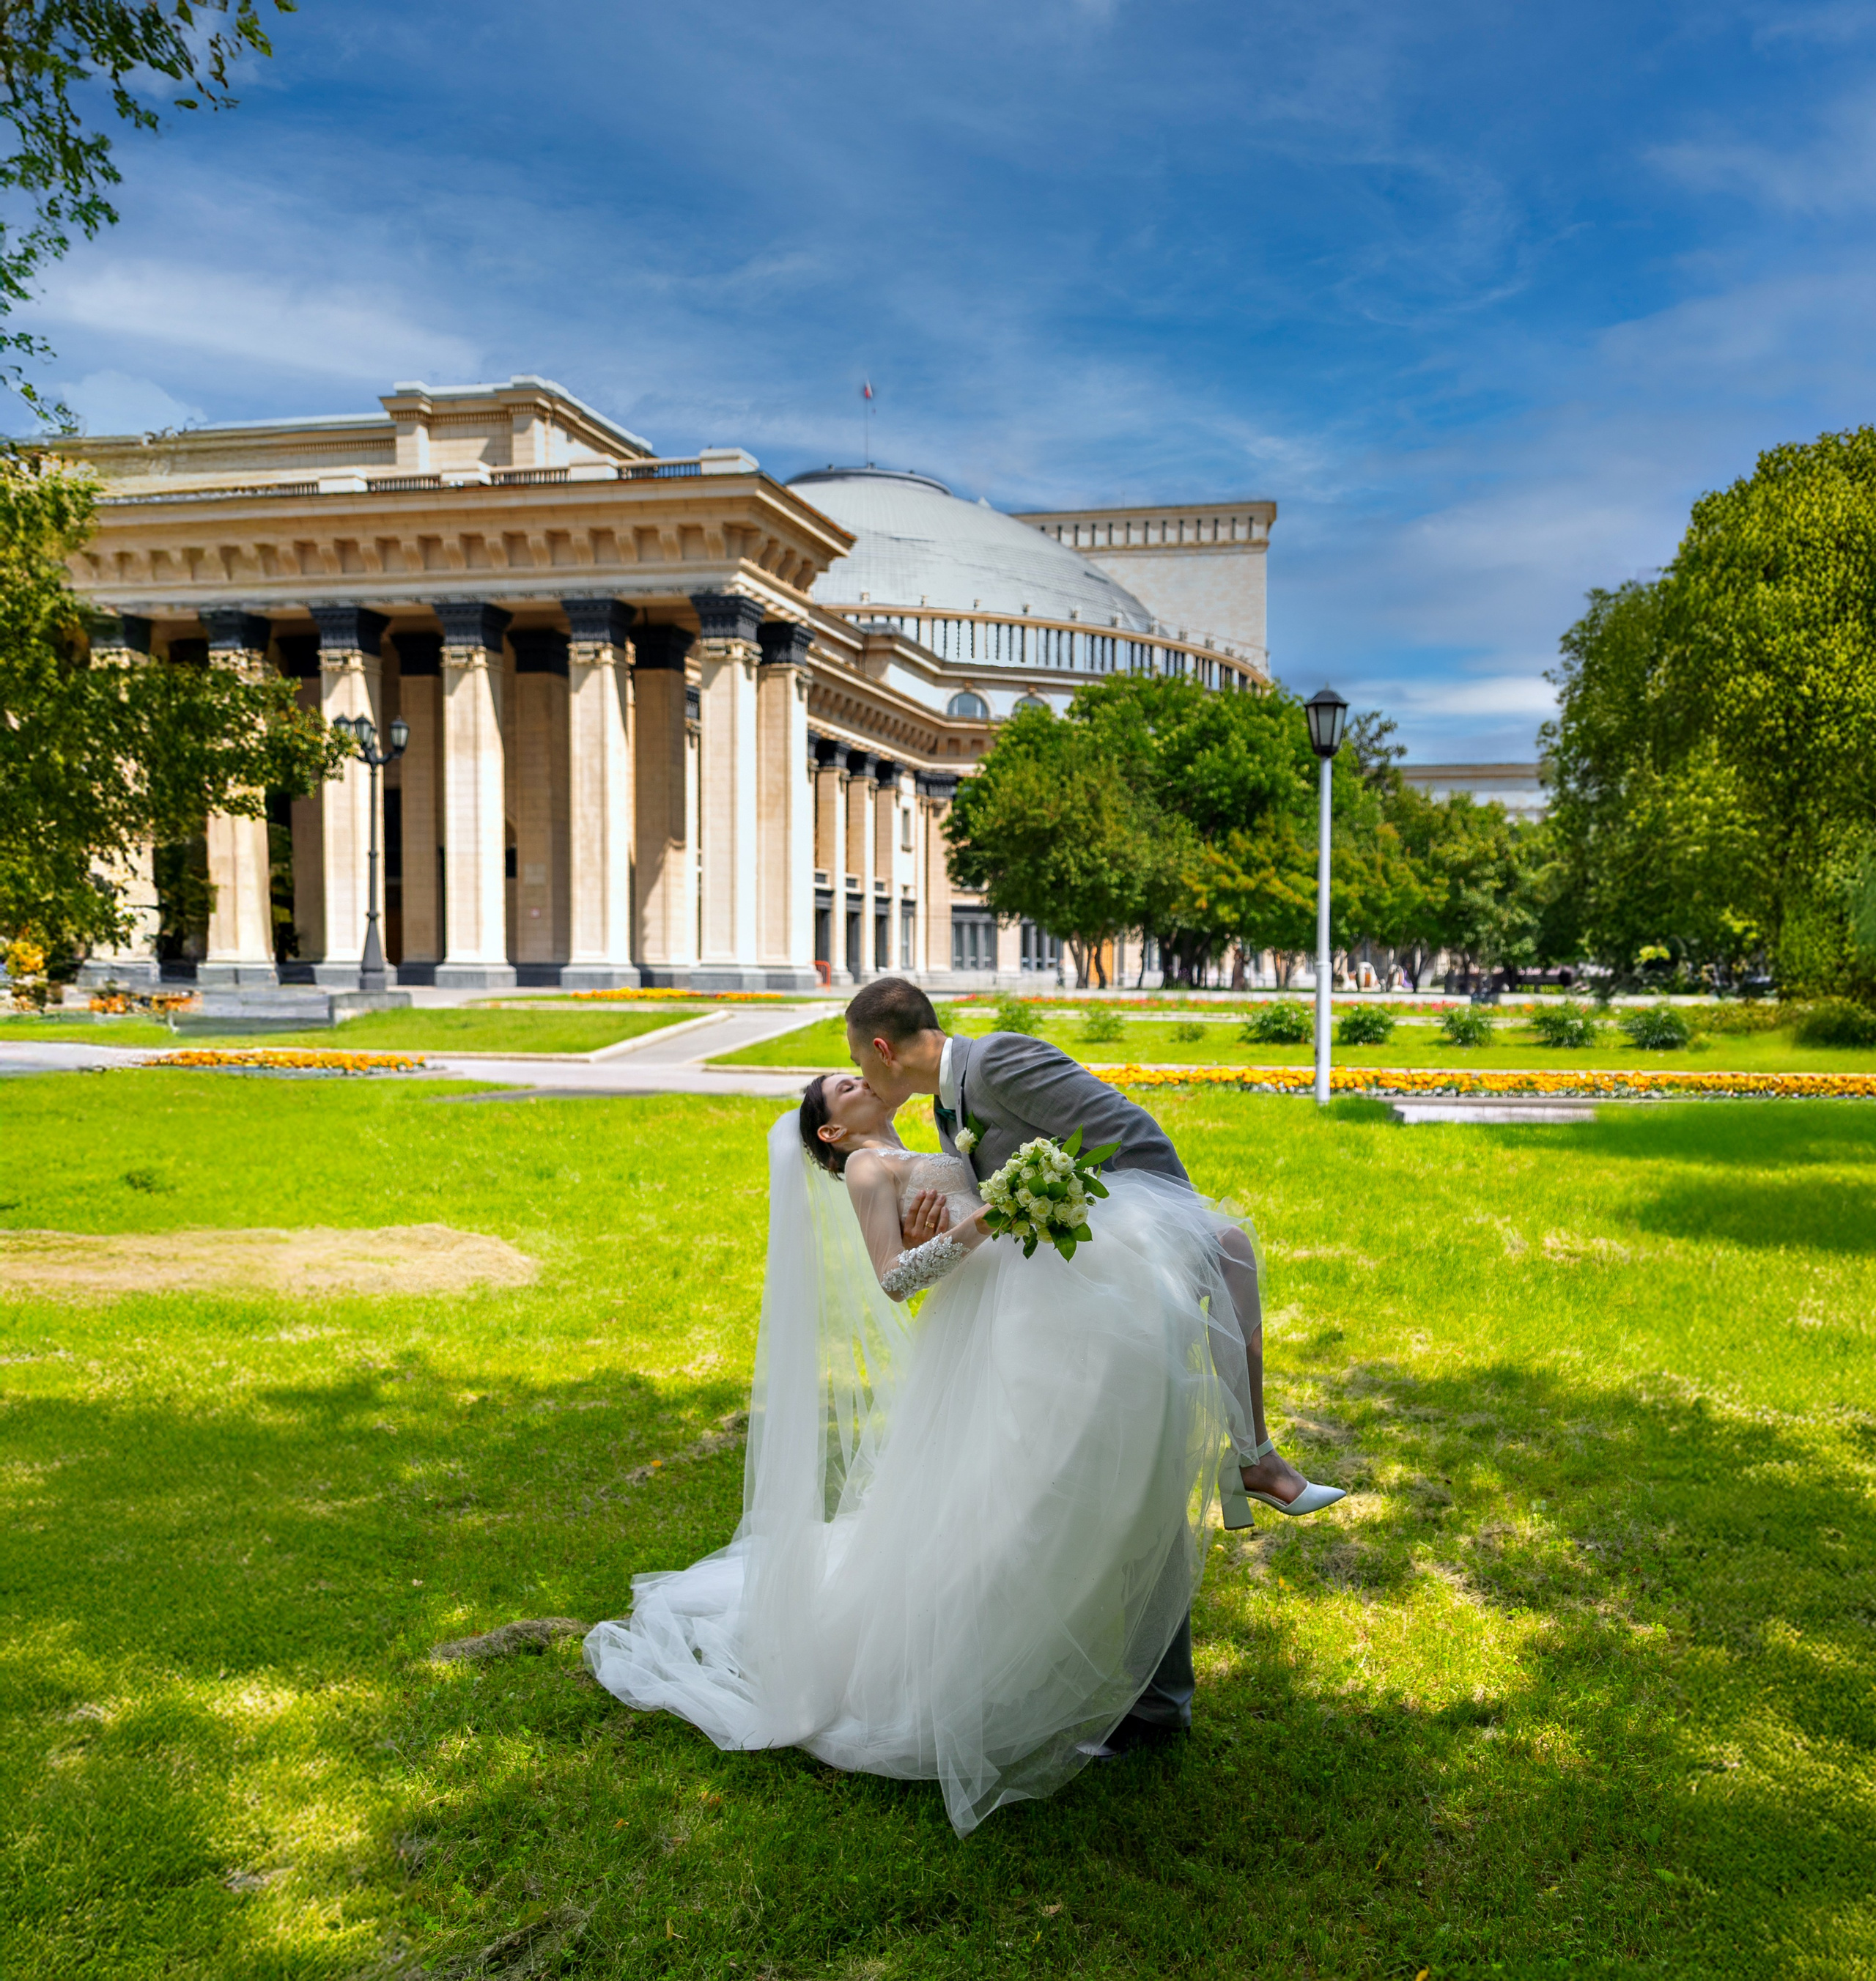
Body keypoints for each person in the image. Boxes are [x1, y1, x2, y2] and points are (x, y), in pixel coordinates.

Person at [584, 980, 1342, 1834]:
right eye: (840, 1089)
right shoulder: (888, 1154)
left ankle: (1187, 1614)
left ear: (878, 1047)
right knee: (1061, 1504)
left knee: (1130, 1467)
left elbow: (1127, 1146)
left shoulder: (979, 1082)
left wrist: (1168, 1234)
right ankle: (1083, 1674)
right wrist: (978, 1224)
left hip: (1066, 1309)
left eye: (849, 1066)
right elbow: (906, 1266)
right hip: (1019, 1332)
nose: (856, 1082)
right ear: (833, 1133)